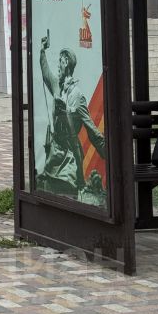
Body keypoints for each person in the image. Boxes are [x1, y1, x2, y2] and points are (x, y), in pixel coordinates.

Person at [38, 31, 106, 201]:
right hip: (54, 155)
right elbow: (46, 74)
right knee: (52, 194)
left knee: (68, 193)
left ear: (67, 63)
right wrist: (42, 51)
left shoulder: (77, 95)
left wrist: (108, 152)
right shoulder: (57, 86)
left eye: (60, 62)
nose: (58, 66)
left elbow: (91, 128)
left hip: (70, 158)